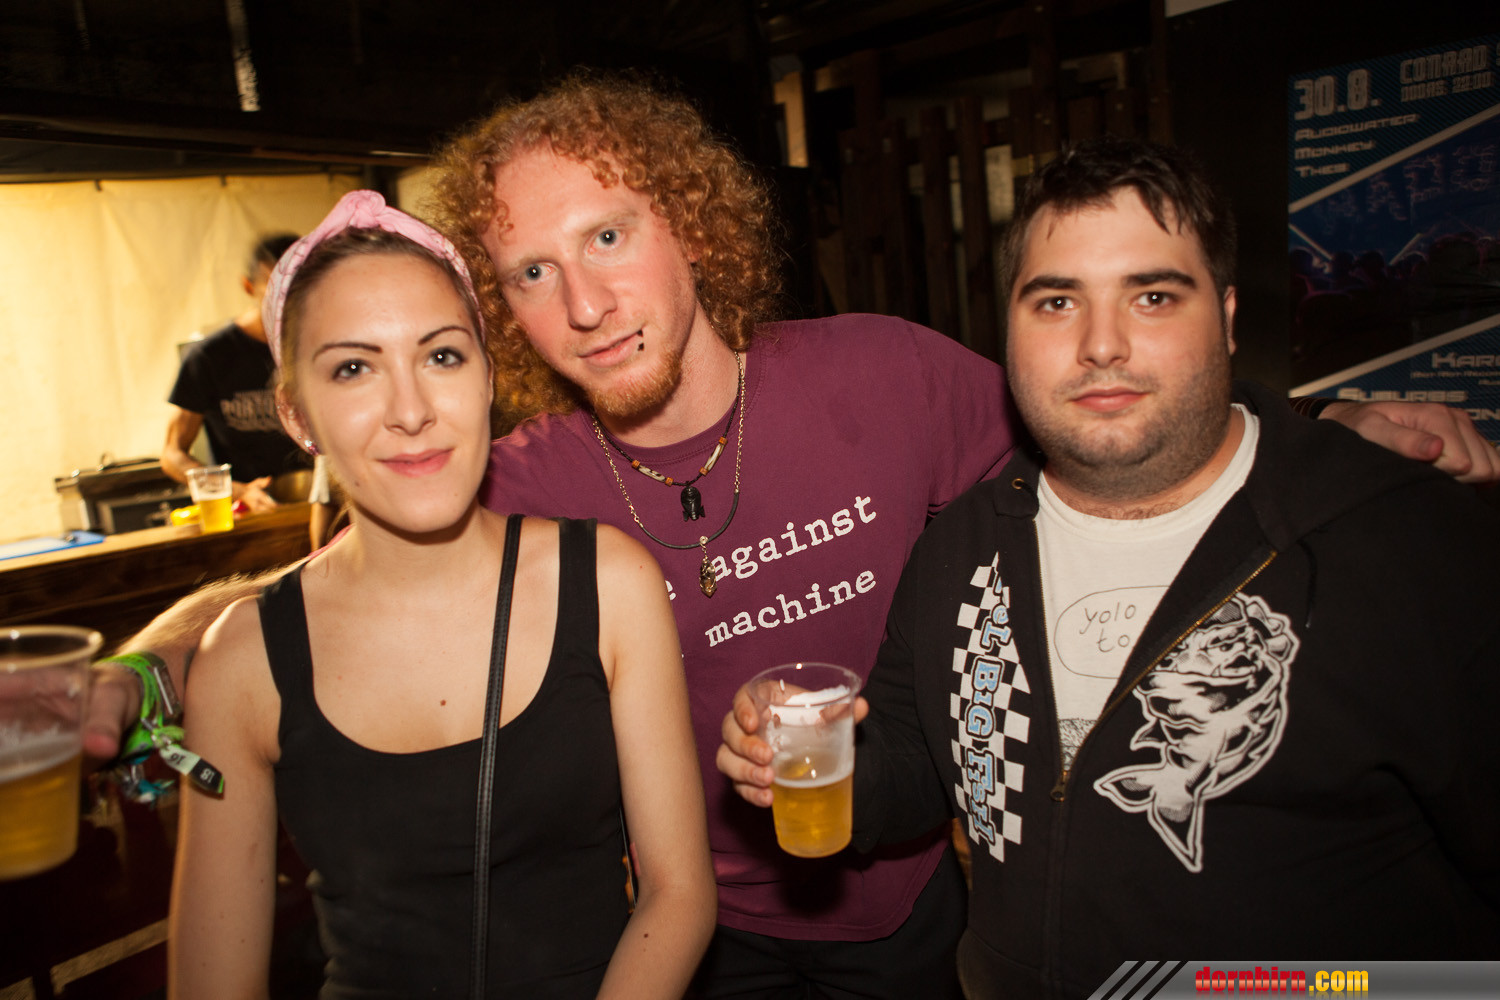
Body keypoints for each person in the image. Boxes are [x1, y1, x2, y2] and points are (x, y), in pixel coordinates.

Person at [89, 75, 1498, 998]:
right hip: (690, 938)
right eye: (530, 270)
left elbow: (1110, 409)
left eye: (610, 236)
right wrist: (140, 658)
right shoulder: (514, 474)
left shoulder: (884, 373)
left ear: (690, 227)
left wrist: (1311, 433)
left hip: (916, 910)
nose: (586, 303)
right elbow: (317, 592)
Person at [719, 135, 1500, 995]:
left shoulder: (1406, 544)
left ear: (1227, 318)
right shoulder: (962, 547)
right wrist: (810, 759)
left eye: (1153, 296)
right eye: (1057, 302)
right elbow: (921, 763)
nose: (1101, 344)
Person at [167, 190, 715, 999]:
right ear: (296, 414)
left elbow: (678, 893)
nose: (411, 410)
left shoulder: (608, 584)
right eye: (354, 368)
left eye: (443, 356)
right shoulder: (242, 662)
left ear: (488, 377)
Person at [162, 233, 307, 513]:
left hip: (320, 503)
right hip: (249, 511)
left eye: (298, 286)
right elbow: (172, 454)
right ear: (248, 286)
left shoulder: (318, 346)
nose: (288, 299)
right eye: (276, 290)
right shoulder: (209, 356)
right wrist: (236, 490)